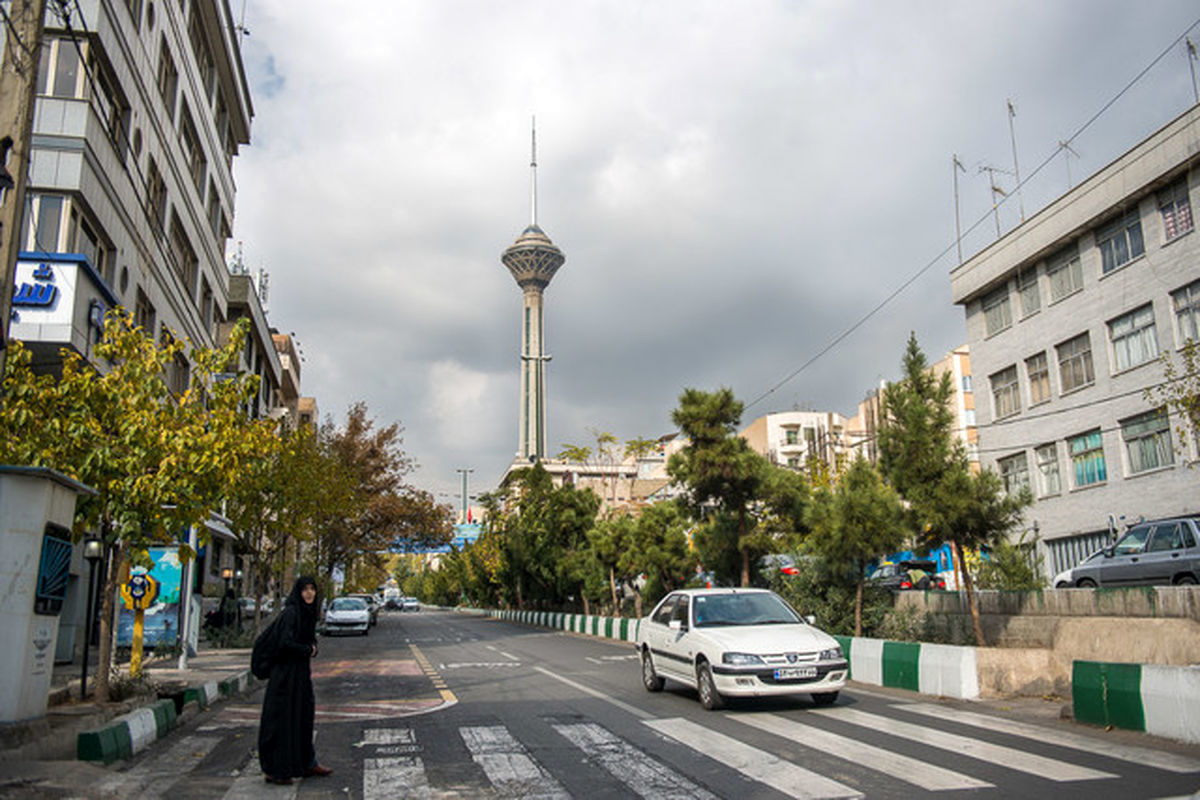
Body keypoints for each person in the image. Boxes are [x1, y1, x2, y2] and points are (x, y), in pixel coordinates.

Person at [257, 576, 333, 784]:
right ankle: (275, 770)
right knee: (282, 721)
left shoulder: (306, 613)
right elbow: (284, 644)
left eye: (312, 589)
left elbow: (307, 638)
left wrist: (311, 647)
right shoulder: (291, 613)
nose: (309, 593)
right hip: (284, 676)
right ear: (298, 592)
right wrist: (308, 649)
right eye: (305, 590)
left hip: (300, 674)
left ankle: (307, 763)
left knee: (303, 716)